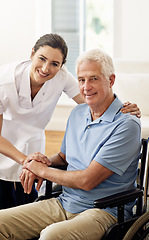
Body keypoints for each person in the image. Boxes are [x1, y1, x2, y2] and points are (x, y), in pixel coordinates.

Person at [0, 48, 141, 240]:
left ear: (111, 80)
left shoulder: (127, 124)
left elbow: (87, 181)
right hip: (65, 202)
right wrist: (42, 162)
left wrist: (40, 170)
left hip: (103, 211)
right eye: (82, 80)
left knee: (51, 236)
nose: (86, 87)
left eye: (94, 79)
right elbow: (64, 158)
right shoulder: (78, 113)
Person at [0, 33, 84, 209]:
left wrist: (120, 107)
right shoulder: (4, 82)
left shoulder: (62, 77)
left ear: (61, 66)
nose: (46, 68)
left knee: (27, 206)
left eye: (55, 64)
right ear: (32, 54)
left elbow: (91, 100)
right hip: (4, 145)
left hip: (33, 145)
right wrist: (26, 160)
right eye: (42, 59)